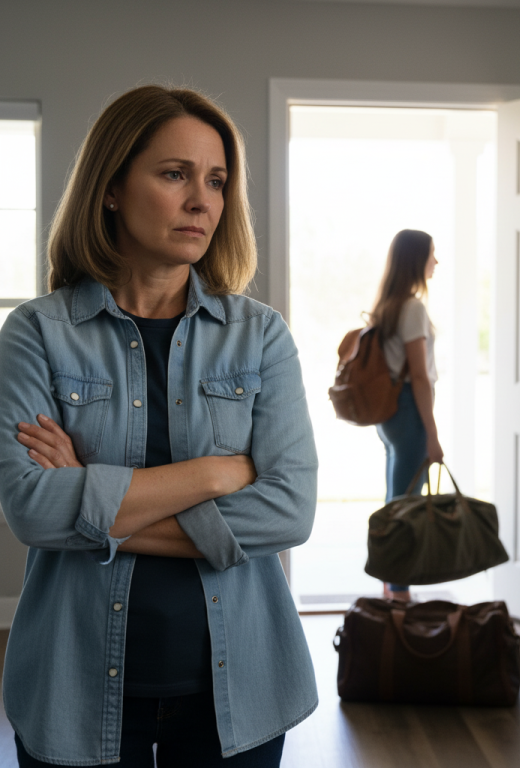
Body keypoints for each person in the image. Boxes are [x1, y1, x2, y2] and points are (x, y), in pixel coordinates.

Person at [0, 85, 318, 767]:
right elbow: (31, 509)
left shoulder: (260, 337)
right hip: (71, 686)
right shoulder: (36, 334)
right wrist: (212, 475)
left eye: (216, 180)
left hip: (242, 693)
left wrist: (91, 498)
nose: (201, 199)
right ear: (111, 188)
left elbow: (288, 512)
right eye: (175, 174)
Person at [370, 229, 444, 603]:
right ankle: (398, 593)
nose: (436, 261)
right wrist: (432, 435)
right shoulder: (412, 308)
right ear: (417, 259)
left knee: (396, 498)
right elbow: (419, 375)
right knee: (406, 504)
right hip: (409, 414)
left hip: (391, 417)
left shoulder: (390, 305)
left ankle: (390, 586)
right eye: (432, 254)